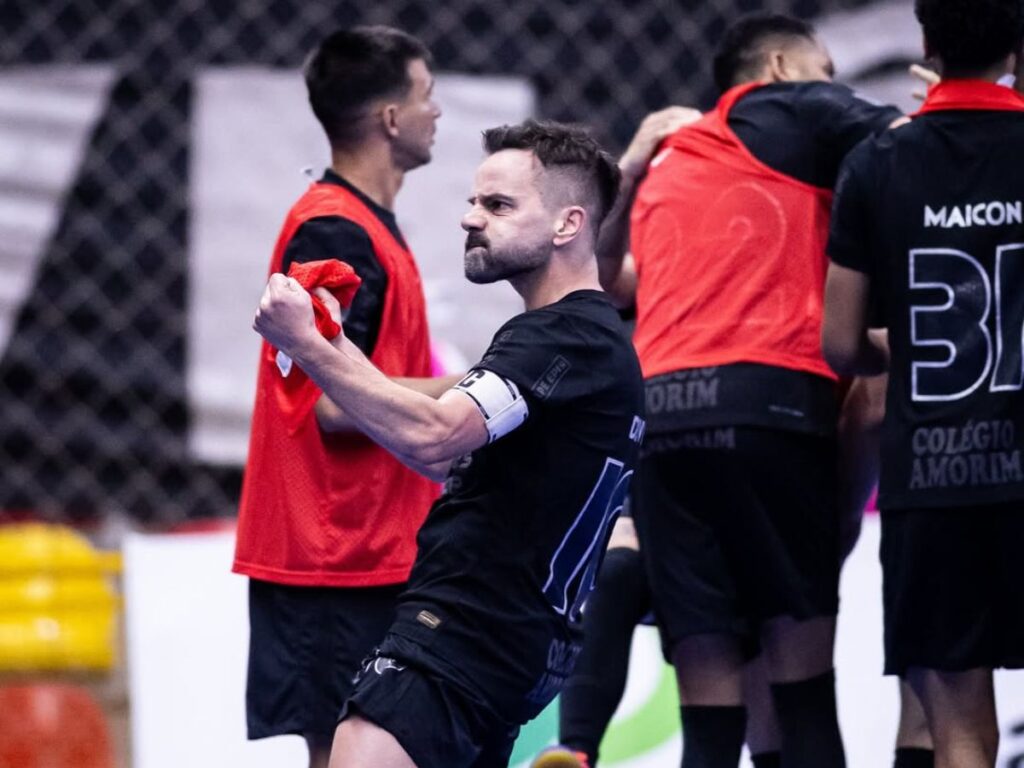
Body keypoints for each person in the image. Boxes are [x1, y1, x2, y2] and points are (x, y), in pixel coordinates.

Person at [253, 119, 646, 768]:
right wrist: (341, 347)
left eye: (497, 205)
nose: (470, 218)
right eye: (472, 201)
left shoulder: (562, 338)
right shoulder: (586, 343)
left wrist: (306, 346)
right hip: (503, 653)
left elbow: (434, 438)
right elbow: (427, 441)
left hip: (460, 640)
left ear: (567, 225)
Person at [594, 13, 907, 768]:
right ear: (778, 66)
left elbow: (608, 285)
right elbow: (912, 145)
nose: (832, 88)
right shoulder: (789, 103)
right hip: (769, 414)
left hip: (664, 428)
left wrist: (627, 169)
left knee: (709, 718)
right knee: (802, 696)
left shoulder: (672, 162)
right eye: (825, 70)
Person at [231, 26, 451, 768]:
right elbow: (330, 400)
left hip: (373, 548)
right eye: (427, 95)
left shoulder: (365, 228)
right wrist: (488, 387)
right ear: (391, 118)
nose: (438, 111)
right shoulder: (336, 230)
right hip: (333, 556)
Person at [823, 0, 1024, 765]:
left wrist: (900, 348)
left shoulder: (878, 160)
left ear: (927, 44)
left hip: (935, 479)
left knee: (960, 734)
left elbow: (839, 344)